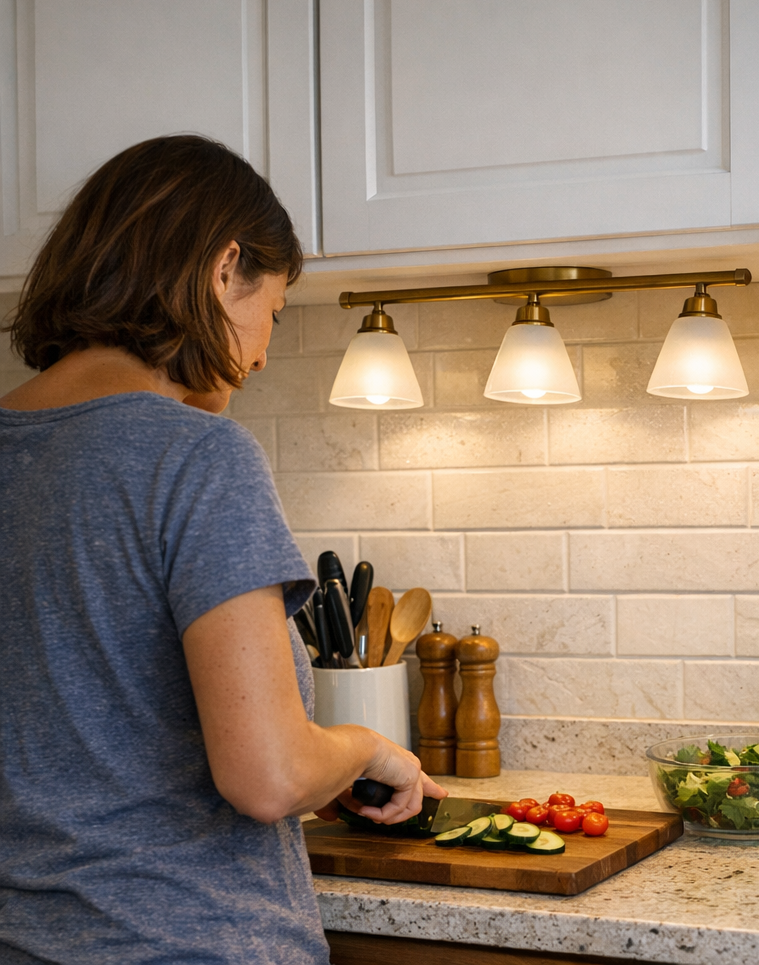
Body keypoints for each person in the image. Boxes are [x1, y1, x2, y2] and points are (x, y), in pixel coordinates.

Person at [0, 135, 447, 965]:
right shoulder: (198, 456)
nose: (263, 352)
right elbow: (267, 775)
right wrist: (367, 749)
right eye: (270, 312)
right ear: (222, 267)